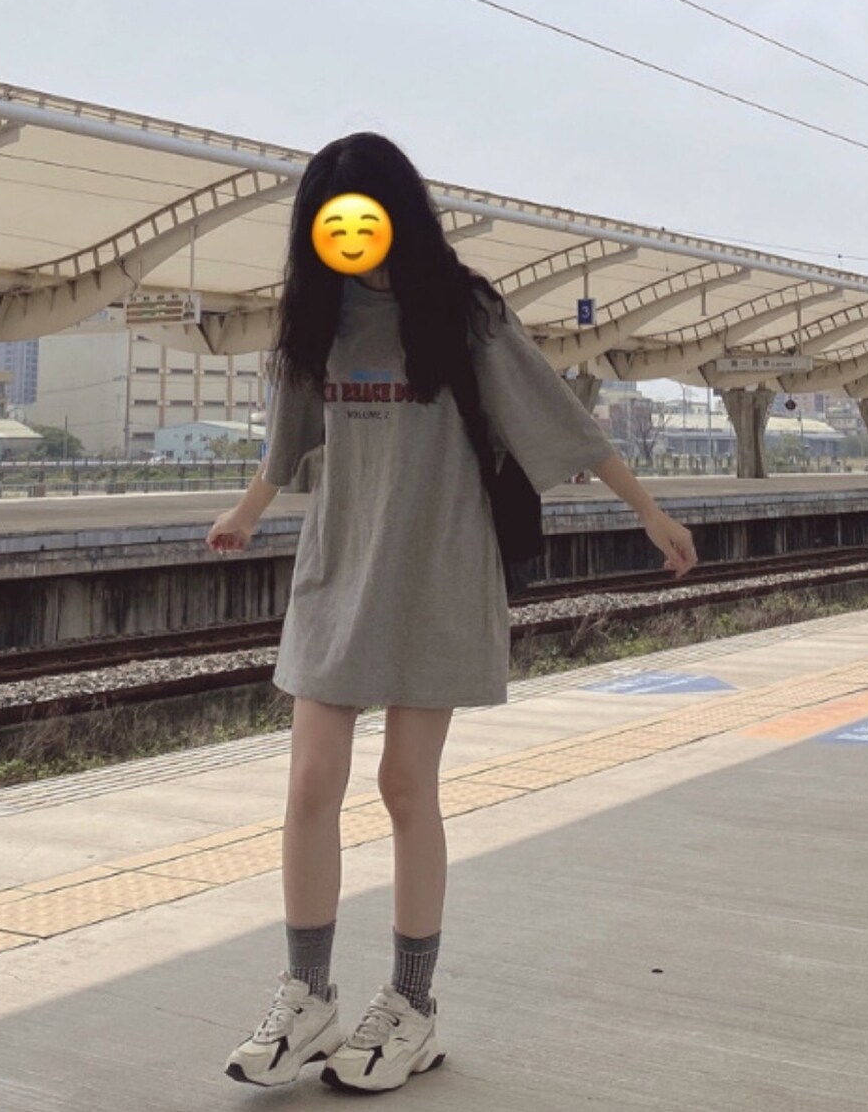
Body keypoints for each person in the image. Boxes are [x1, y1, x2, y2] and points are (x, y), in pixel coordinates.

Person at [206, 132, 698, 1093]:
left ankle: (412, 1007)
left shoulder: (463, 310)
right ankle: (307, 996)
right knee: (309, 783)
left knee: (404, 785)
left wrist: (650, 511)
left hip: (436, 567)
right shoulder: (316, 317)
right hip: (338, 566)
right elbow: (288, 444)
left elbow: (559, 418)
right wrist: (245, 512)